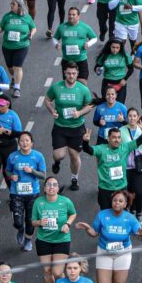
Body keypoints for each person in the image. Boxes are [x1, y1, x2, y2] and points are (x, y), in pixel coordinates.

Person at [76, 190, 142, 283]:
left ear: (125, 204)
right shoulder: (102, 215)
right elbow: (94, 233)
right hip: (104, 251)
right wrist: (87, 228)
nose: (117, 203)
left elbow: (140, 235)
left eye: (120, 201)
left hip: (123, 253)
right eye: (115, 200)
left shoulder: (130, 218)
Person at [45, 62, 94, 190]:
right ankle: (57, 162)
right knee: (59, 155)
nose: (71, 76)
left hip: (77, 128)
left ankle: (74, 178)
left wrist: (80, 113)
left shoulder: (83, 89)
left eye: (73, 73)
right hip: (60, 126)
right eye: (68, 73)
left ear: (77, 74)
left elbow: (90, 105)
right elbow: (47, 100)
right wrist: (52, 111)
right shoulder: (56, 87)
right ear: (64, 73)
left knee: (74, 155)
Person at [31, 177, 77, 283]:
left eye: (54, 185)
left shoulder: (65, 202)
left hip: (61, 240)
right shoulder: (38, 203)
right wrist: (40, 223)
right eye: (49, 185)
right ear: (44, 188)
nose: (51, 187)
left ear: (57, 188)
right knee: (47, 271)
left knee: (57, 272)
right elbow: (32, 221)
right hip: (43, 240)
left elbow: (73, 214)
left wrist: (67, 224)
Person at [6, 131, 46, 253]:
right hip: (16, 192)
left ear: (31, 143)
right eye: (22, 141)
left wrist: (32, 171)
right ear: (19, 143)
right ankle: (20, 229)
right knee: (18, 221)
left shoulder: (38, 156)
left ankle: (28, 241)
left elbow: (43, 175)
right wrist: (11, 176)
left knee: (30, 220)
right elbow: (7, 171)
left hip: (32, 193)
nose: (24, 143)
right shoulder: (13, 156)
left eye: (27, 140)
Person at [0, 0, 36, 98]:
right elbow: (0, 30)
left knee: (17, 67)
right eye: (11, 4)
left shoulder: (26, 17)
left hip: (22, 45)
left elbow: (33, 28)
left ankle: (17, 88)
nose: (11, 6)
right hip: (7, 46)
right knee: (10, 67)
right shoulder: (8, 16)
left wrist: (31, 34)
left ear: (19, 6)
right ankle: (14, 78)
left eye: (13, 4)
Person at [120, 107, 142, 224]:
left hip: (141, 165)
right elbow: (116, 146)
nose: (132, 118)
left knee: (139, 191)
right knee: (129, 191)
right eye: (130, 116)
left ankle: (139, 214)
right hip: (126, 166)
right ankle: (132, 211)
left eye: (134, 116)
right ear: (127, 117)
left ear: (138, 117)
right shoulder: (121, 130)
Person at [53, 7, 98, 84]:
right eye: (69, 14)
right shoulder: (62, 27)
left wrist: (88, 44)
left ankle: (82, 95)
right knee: (68, 82)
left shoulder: (85, 27)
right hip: (67, 60)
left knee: (83, 82)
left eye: (73, 14)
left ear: (78, 16)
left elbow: (94, 38)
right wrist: (56, 44)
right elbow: (54, 38)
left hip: (81, 59)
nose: (71, 16)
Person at [95, 39, 133, 103]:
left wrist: (125, 79)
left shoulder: (125, 56)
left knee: (120, 104)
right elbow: (97, 67)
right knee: (107, 103)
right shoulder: (105, 55)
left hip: (120, 83)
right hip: (107, 83)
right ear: (110, 46)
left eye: (117, 48)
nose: (115, 50)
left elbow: (131, 69)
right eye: (113, 47)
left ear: (120, 48)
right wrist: (98, 70)